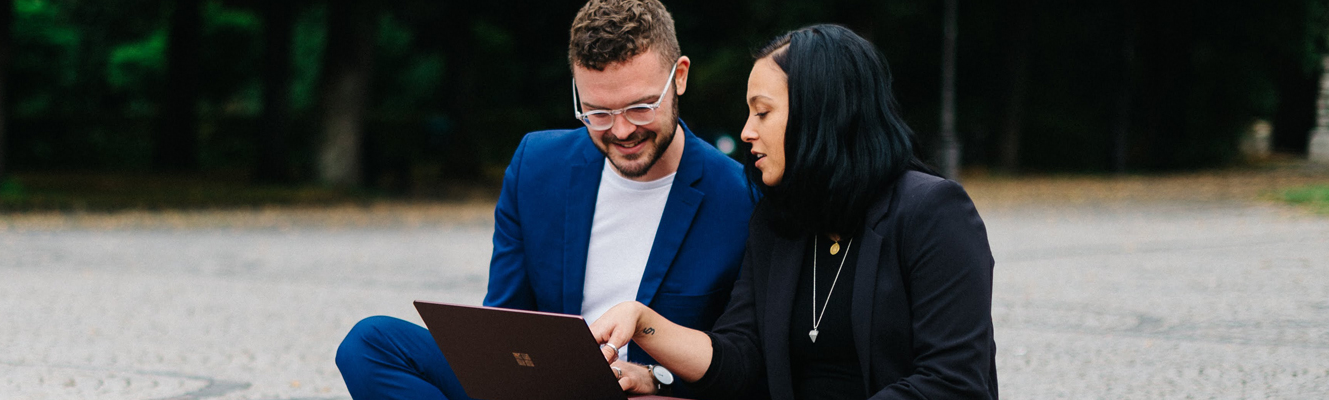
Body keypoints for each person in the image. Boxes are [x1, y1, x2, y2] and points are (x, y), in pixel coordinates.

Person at [334, 1, 757, 399]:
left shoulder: (739, 197)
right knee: (369, 344)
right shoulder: (537, 164)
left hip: (647, 392)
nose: (622, 131)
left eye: (641, 107)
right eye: (598, 113)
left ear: (679, 76)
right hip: (539, 385)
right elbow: (502, 320)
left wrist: (656, 378)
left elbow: (745, 363)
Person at [588, 24, 999, 400]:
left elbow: (952, 381)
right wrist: (644, 323)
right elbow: (739, 357)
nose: (747, 131)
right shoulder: (778, 221)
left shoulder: (933, 212)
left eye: (762, 112)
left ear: (822, 112)